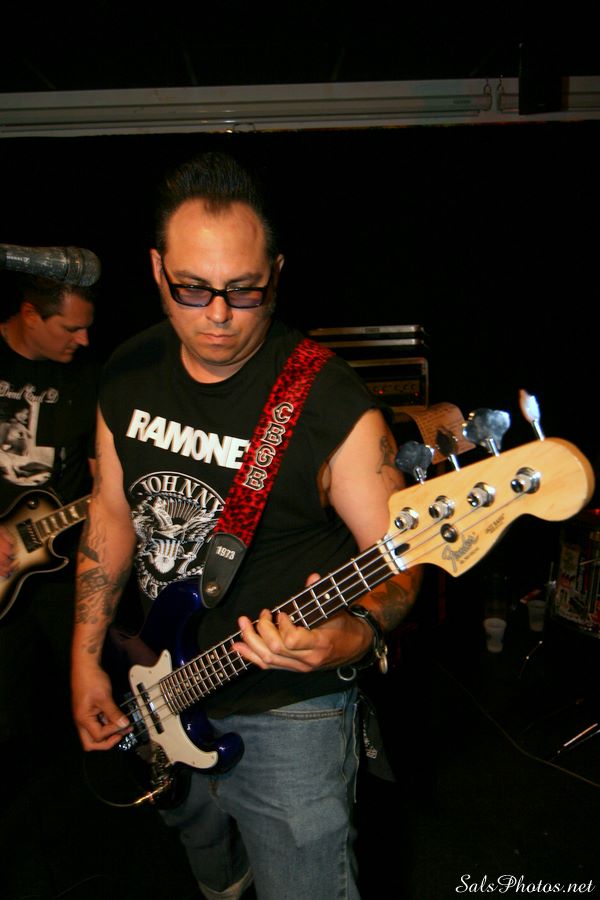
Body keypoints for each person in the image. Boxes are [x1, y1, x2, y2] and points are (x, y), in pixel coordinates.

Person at [71, 151, 421, 900]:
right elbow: (110, 512)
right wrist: (85, 657)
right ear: (157, 269)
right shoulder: (128, 371)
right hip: (160, 678)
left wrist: (353, 634)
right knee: (199, 840)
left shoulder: (332, 404)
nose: (219, 316)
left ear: (277, 274)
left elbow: (400, 560)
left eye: (244, 290)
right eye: (192, 289)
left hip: (288, 704)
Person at [0, 272, 97, 751]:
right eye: (70, 328)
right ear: (30, 315)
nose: (83, 340)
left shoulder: (87, 376)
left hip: (60, 570)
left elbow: (103, 475)